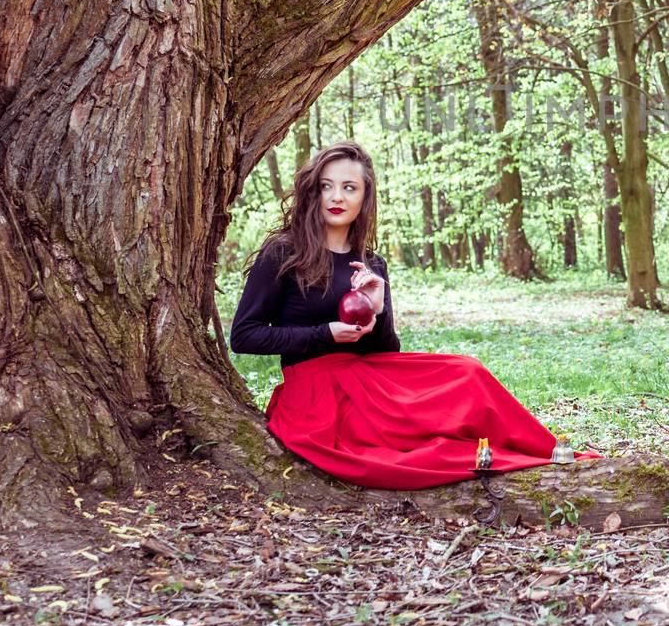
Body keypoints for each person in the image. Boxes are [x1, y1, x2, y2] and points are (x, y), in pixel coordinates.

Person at [230, 141, 592, 489]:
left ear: (364, 198)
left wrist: (379, 309)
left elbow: (386, 351)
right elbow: (244, 336)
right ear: (314, 192)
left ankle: (549, 451)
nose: (337, 197)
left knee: (468, 372)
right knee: (425, 448)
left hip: (370, 379)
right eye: (327, 186)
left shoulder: (372, 263)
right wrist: (325, 334)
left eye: (349, 187)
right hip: (317, 393)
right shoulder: (284, 253)